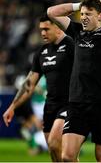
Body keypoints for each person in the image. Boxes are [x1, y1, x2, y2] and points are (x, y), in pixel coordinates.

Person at [47, 0, 101, 162]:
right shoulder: (77, 31)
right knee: (67, 157)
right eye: (82, 14)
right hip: (77, 104)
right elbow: (51, 12)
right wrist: (78, 5)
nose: (84, 18)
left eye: (88, 14)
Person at [3, 14, 74, 162]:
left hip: (69, 103)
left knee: (55, 143)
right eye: (41, 29)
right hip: (50, 106)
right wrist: (13, 106)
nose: (42, 33)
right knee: (55, 153)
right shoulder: (41, 52)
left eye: (46, 29)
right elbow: (29, 84)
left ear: (58, 27)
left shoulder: (72, 45)